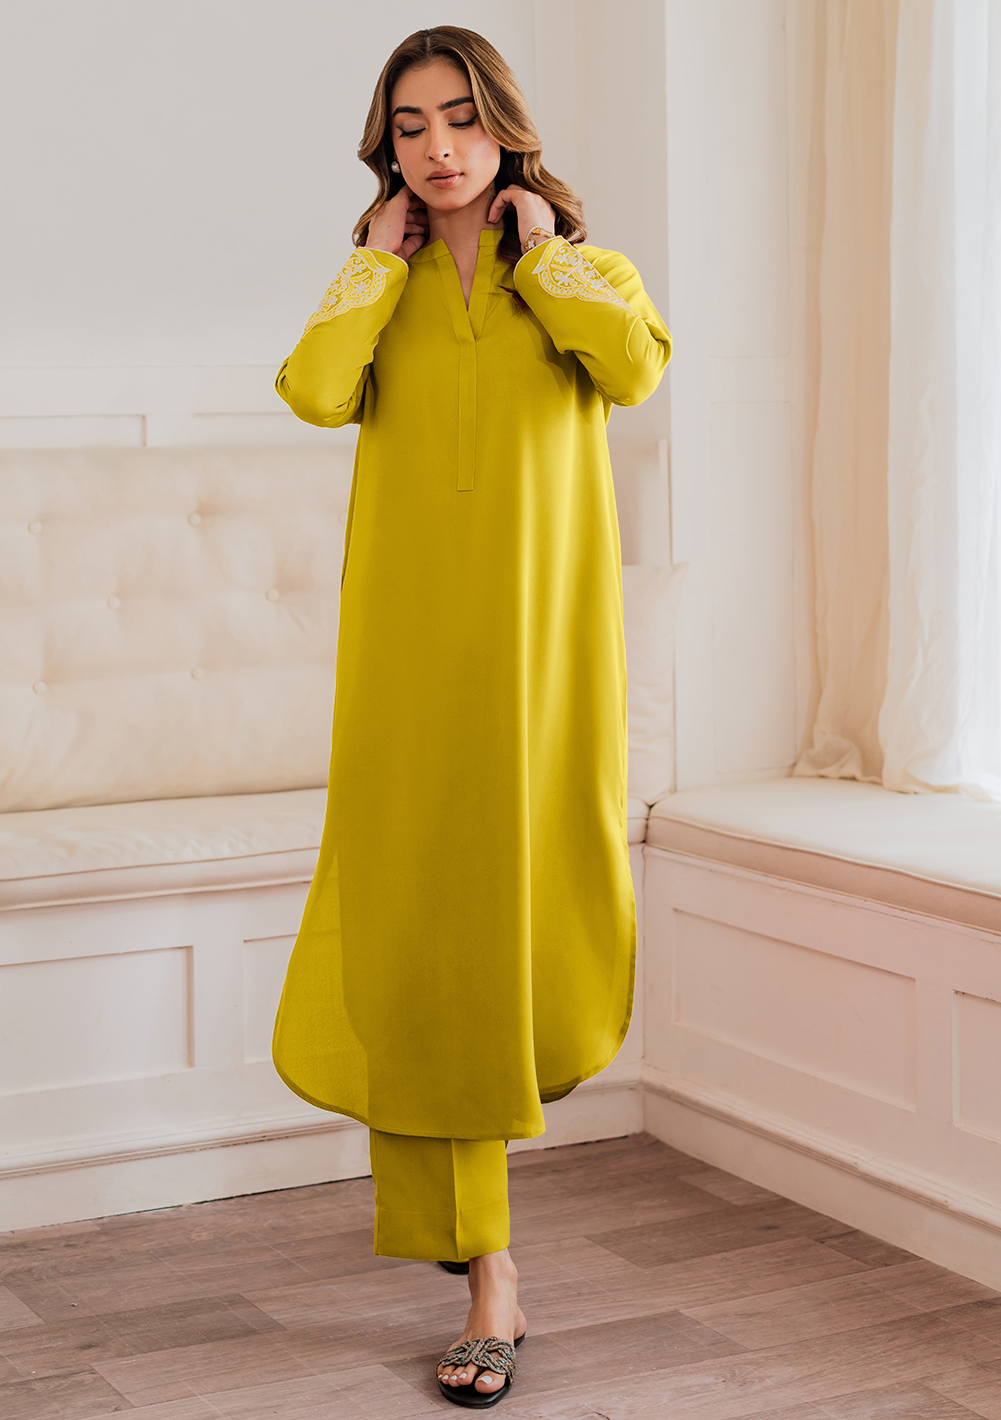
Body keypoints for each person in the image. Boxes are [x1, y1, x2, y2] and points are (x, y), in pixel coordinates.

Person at [272, 25, 671, 1409]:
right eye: (410, 127)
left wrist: (548, 254)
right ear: (386, 150)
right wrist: (375, 266)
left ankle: (480, 1232)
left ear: (504, 125)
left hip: (541, 661)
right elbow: (314, 392)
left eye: (459, 118)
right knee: (422, 930)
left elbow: (633, 370)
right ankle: (488, 1269)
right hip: (406, 659)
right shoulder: (374, 288)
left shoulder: (585, 275)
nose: (438, 147)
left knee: (513, 923)